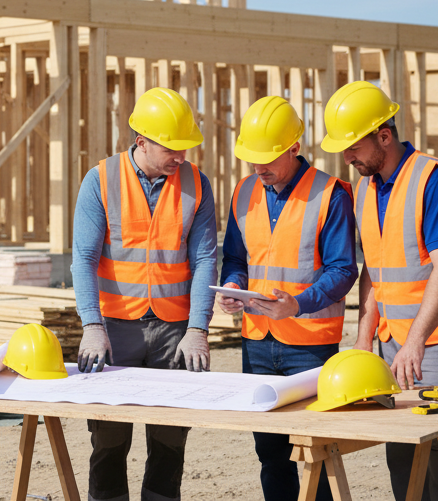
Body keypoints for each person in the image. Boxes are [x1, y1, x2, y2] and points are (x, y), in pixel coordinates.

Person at [320, 81, 438, 500]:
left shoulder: (436, 180)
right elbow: (375, 269)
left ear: (384, 136)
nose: (347, 157)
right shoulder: (365, 186)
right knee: (401, 452)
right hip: (393, 340)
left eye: (354, 147)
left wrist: (415, 343)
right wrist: (363, 339)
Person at [70, 87, 218, 501]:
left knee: (171, 441)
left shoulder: (197, 184)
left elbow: (206, 259)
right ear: (142, 142)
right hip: (116, 329)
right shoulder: (100, 179)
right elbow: (83, 258)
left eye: (185, 148)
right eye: (172, 148)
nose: (181, 157)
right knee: (109, 440)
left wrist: (198, 329)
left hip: (175, 331)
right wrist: (92, 326)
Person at [217, 96, 357, 501]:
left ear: (295, 148)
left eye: (269, 158)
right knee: (270, 453)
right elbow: (235, 257)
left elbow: (343, 269)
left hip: (310, 346)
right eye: (253, 158)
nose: (259, 167)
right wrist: (232, 287)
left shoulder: (330, 193)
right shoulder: (244, 191)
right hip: (257, 343)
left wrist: (297, 303)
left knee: (317, 452)